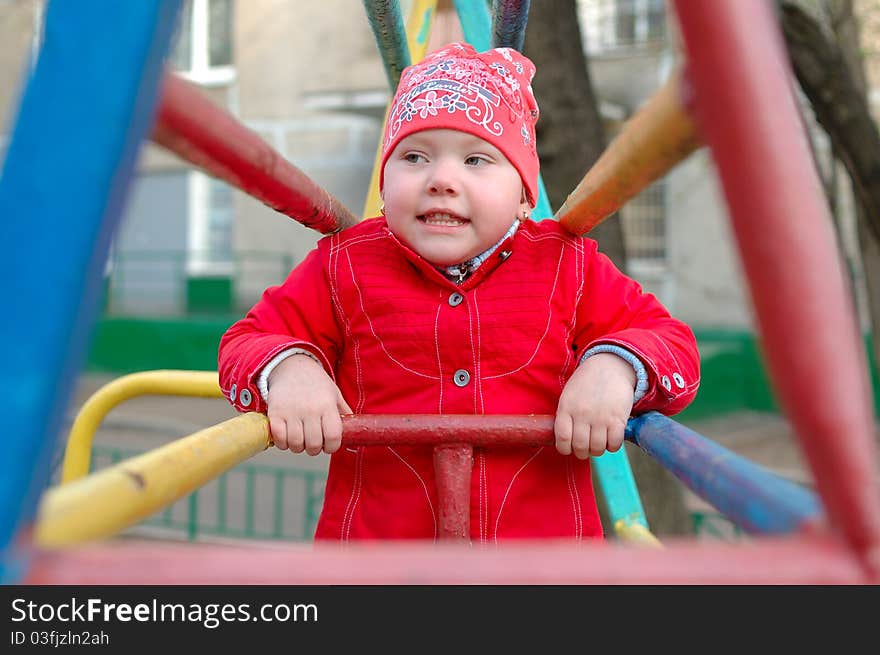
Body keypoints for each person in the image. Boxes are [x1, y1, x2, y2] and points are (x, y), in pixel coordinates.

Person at [219, 42, 700, 542]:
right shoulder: (344, 264)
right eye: (413, 156)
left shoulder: (566, 264)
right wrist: (291, 369)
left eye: (475, 159)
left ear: (522, 195)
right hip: (379, 562)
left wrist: (615, 365)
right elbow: (245, 341)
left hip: (540, 564)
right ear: (384, 183)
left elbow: (674, 348)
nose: (441, 179)